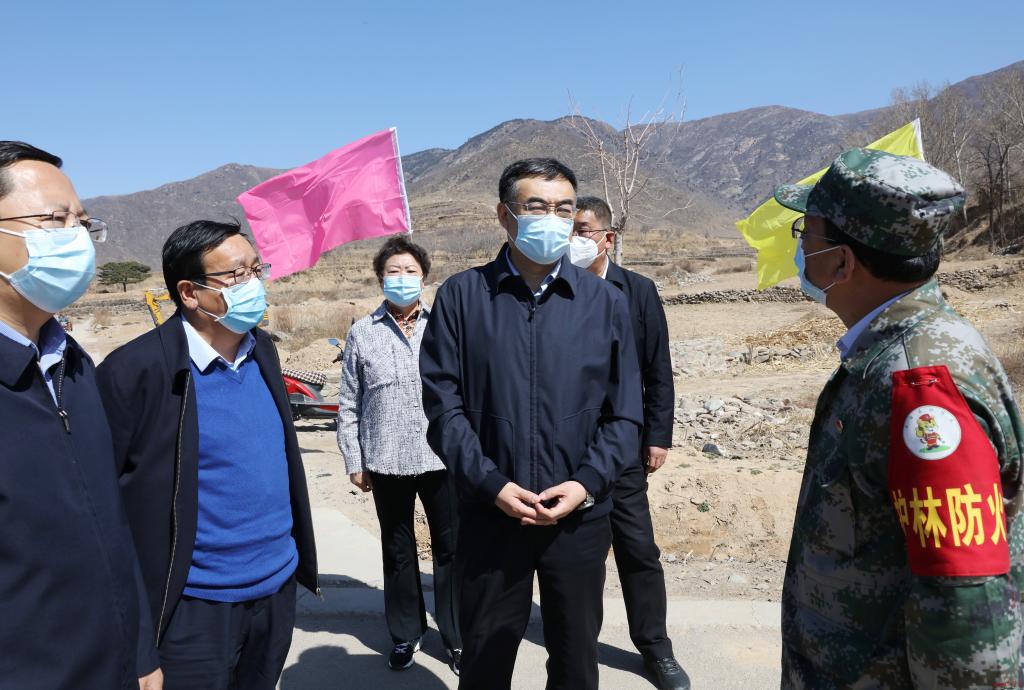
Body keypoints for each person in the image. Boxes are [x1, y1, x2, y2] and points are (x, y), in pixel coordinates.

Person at [774, 148, 1024, 688]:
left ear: (842, 262)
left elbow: (966, 614)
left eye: (805, 234)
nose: (799, 249)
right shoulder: (889, 354)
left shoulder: (920, 387)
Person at [420, 158, 644, 690]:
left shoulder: (605, 302)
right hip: (492, 515)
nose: (553, 219)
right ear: (505, 215)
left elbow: (625, 414)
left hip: (578, 517)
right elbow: (443, 408)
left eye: (564, 209)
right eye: (537, 206)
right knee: (485, 657)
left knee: (575, 659)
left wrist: (585, 484)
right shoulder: (462, 296)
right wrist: (492, 485)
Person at [96, 220, 319, 690]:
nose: (253, 284)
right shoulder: (135, 372)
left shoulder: (262, 350)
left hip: (275, 592)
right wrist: (135, 638)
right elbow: (102, 510)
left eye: (257, 270)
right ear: (190, 293)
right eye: (236, 275)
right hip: (192, 608)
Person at [0, 140, 162, 689]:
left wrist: (139, 652)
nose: (77, 237)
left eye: (83, 222)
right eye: (55, 220)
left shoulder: (72, 364)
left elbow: (109, 522)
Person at [570, 196, 689, 690]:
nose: (573, 239)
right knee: (581, 558)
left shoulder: (637, 291)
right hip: (572, 448)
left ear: (608, 238)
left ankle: (656, 648)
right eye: (569, 229)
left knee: (638, 549)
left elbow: (658, 368)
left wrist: (658, 436)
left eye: (582, 229)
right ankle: (578, 648)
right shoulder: (555, 288)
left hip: (623, 445)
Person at [337, 235, 461, 674]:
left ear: (424, 278)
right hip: (385, 458)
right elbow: (349, 401)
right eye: (394, 271)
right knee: (398, 549)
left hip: (443, 457)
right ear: (380, 279)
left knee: (452, 548)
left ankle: (457, 636)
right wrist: (354, 459)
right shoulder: (362, 333)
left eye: (410, 271)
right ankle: (406, 634)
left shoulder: (444, 325)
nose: (402, 278)